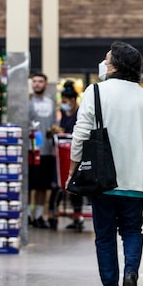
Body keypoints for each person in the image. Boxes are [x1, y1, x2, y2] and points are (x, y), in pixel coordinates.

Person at [67, 42, 143, 286]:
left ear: (114, 65)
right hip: (135, 183)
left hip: (102, 181)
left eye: (106, 59)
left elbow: (81, 134)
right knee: (133, 231)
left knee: (105, 238)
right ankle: (131, 272)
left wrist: (73, 170)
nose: (103, 62)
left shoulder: (95, 91)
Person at [28, 73, 57, 229]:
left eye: (40, 81)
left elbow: (54, 124)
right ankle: (27, 215)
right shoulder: (27, 102)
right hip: (30, 149)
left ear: (46, 84)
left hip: (46, 150)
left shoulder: (51, 103)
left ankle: (39, 215)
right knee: (29, 185)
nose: (37, 84)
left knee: (42, 186)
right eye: (35, 81)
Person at [56, 81, 84, 231]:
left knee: (75, 184)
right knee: (62, 185)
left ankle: (78, 214)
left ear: (73, 100)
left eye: (66, 101)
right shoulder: (64, 114)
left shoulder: (79, 114)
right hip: (64, 153)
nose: (64, 104)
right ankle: (57, 213)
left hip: (76, 153)